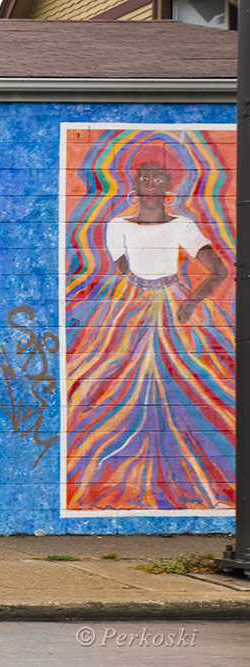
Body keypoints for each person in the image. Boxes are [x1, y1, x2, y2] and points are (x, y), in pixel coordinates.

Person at [66, 143, 234, 510]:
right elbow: (125, 270)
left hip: (173, 307)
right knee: (121, 389)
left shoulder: (183, 226)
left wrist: (190, 303)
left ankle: (189, 484)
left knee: (180, 389)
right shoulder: (117, 225)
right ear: (137, 185)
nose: (152, 183)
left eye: (160, 178)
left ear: (169, 186)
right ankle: (123, 485)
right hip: (132, 309)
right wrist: (134, 303)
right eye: (145, 177)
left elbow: (219, 269)